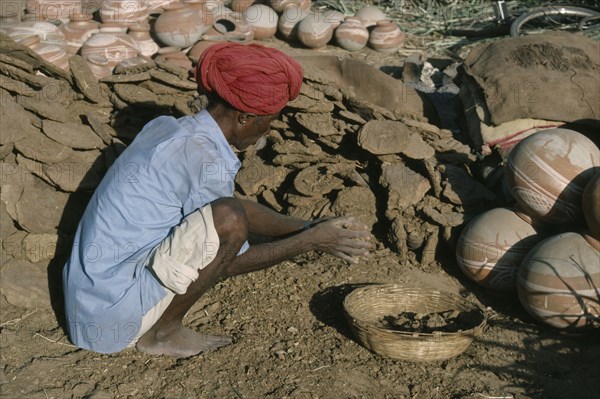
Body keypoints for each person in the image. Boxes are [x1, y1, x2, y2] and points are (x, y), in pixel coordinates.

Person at [63, 43, 372, 358]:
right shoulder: (203, 159)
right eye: (270, 120)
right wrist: (311, 242)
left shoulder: (171, 128)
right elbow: (227, 259)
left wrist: (306, 226)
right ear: (245, 117)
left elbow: (228, 208)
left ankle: (160, 325)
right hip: (114, 319)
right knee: (228, 219)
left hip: (89, 305)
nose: (270, 128)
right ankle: (162, 333)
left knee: (228, 211)